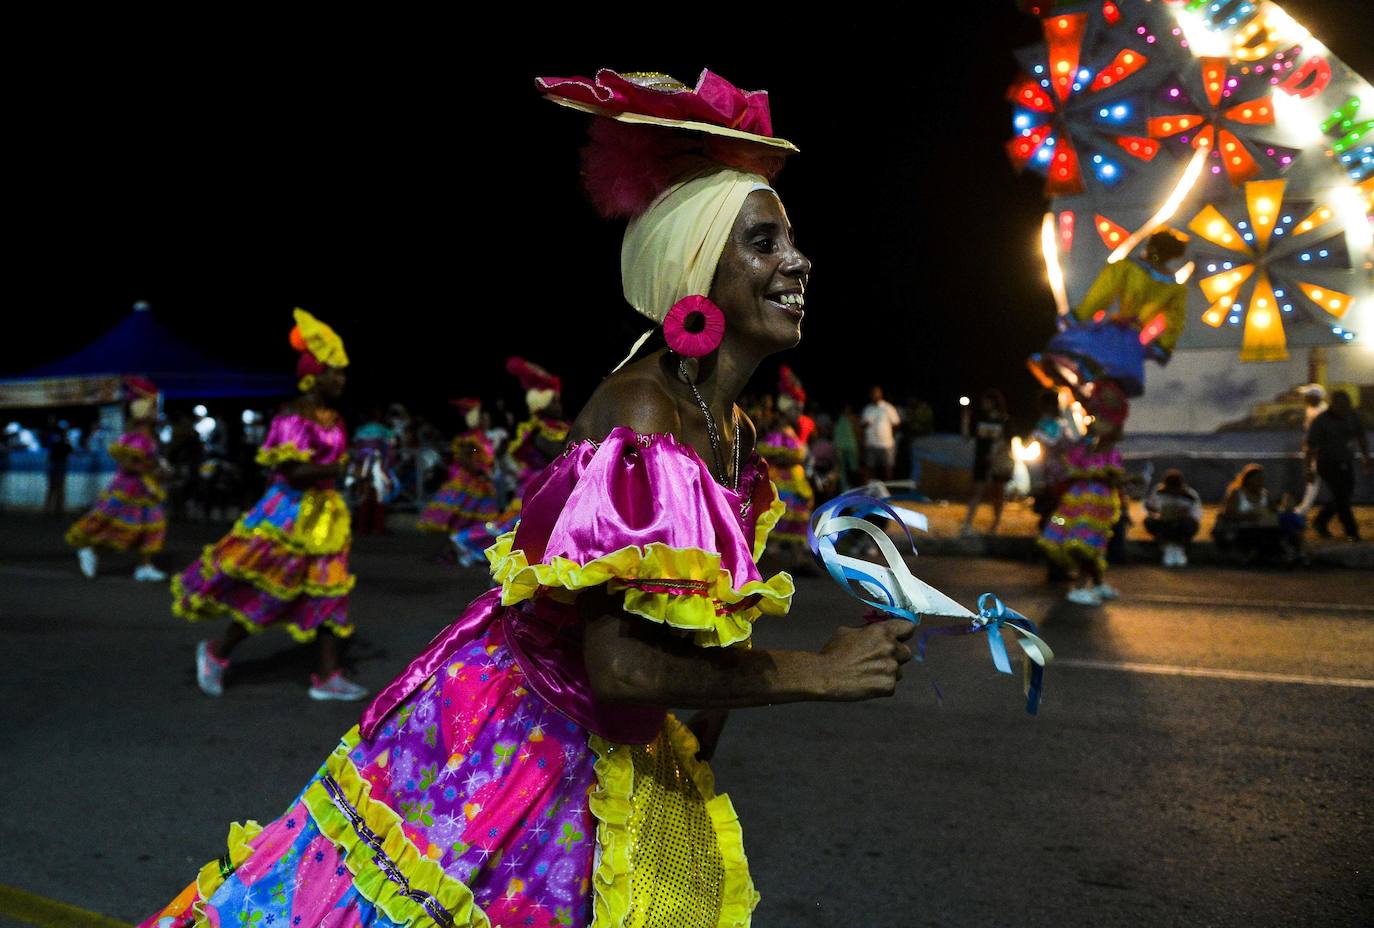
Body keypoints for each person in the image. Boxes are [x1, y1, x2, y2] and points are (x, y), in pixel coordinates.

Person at [139, 67, 914, 928]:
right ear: (696, 270)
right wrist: (818, 673)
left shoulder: (728, 429)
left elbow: (690, 630)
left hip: (607, 745)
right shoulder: (644, 416)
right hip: (516, 745)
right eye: (764, 243)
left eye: (790, 241)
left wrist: (695, 750)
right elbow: (616, 665)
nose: (798, 261)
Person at [171, 309, 367, 701]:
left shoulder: (335, 420)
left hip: (326, 516)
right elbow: (292, 472)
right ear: (314, 375)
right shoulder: (292, 418)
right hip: (289, 515)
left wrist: (356, 473)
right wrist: (339, 466)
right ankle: (216, 651)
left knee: (329, 590)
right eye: (336, 373)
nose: (342, 381)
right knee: (273, 591)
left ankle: (327, 675)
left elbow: (330, 468)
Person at [1030, 228, 1189, 400]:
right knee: (1112, 385)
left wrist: (1077, 317)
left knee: (1072, 355)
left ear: (1151, 246)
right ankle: (1095, 403)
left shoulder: (1127, 267)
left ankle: (1083, 393)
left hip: (1110, 332)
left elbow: (1101, 295)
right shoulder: (1175, 288)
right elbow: (1174, 321)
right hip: (1132, 345)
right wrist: (1162, 346)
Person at [65, 379, 168, 581]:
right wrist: (152, 467)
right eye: (153, 410)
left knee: (152, 526)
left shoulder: (149, 437)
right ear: (145, 414)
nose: (156, 414)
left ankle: (145, 567)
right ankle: (91, 550)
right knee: (117, 527)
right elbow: (129, 465)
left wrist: (158, 468)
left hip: (146, 489)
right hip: (129, 490)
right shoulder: (135, 438)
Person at [1039, 382, 1126, 605]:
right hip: (1079, 505)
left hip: (1098, 505)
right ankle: (1079, 587)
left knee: (1096, 543)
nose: (1094, 423)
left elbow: (1114, 477)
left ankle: (1096, 583)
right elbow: (1067, 464)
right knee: (1084, 544)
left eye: (1101, 420)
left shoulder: (1109, 451)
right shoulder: (1084, 447)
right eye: (1095, 419)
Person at [417, 398, 501, 561]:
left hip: (481, 484)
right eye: (483, 416)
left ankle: (462, 551)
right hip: (467, 483)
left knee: (473, 522)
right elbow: (466, 458)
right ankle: (450, 551)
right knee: (458, 520)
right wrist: (479, 469)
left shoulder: (482, 438)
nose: (486, 420)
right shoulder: (471, 439)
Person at [758, 366, 815, 572]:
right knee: (779, 524)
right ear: (785, 408)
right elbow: (769, 453)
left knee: (794, 523)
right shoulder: (779, 432)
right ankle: (779, 564)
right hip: (782, 483)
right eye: (795, 409)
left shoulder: (791, 430)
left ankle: (798, 560)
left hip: (794, 481)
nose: (799, 413)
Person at [1305, 389, 1371, 541]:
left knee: (1344, 495)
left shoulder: (1352, 417)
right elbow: (1310, 446)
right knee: (1342, 497)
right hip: (1327, 464)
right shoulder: (1321, 421)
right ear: (1333, 404)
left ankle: (1320, 521)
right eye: (1341, 405)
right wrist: (1308, 469)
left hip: (1345, 462)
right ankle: (1351, 531)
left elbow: (1361, 438)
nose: (1344, 409)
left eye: (1346, 405)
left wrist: (1366, 459)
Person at [1213, 463, 1301, 562]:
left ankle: (1288, 554)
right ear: (1248, 480)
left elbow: (1273, 512)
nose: (1261, 482)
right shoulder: (1237, 494)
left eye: (1262, 479)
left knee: (1287, 524)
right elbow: (1227, 514)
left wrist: (1286, 507)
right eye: (1258, 479)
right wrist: (1248, 516)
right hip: (1242, 529)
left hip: (1262, 527)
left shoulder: (1264, 494)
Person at [961, 388, 1012, 536]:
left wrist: (994, 454)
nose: (983, 404)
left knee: (997, 494)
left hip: (997, 462)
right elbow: (967, 437)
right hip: (981, 460)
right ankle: (967, 524)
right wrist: (965, 418)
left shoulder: (1004, 420)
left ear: (993, 403)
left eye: (986, 401)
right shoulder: (980, 419)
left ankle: (995, 524)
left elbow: (1006, 442)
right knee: (976, 491)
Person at [1144, 469, 1202, 567]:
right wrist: (1157, 513)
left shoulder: (1190, 496)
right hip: (1164, 523)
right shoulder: (1159, 491)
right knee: (1149, 521)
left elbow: (1196, 515)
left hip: (1181, 525)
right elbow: (1149, 507)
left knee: (1188, 525)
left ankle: (1179, 549)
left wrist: (1182, 514)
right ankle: (1167, 547)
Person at [861, 384, 901, 481]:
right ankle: (872, 490)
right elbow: (862, 425)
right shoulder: (867, 409)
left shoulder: (888, 407)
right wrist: (866, 424)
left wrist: (888, 431)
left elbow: (897, 423)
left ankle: (888, 490)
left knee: (888, 468)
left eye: (876, 392)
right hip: (871, 444)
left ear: (880, 394)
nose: (874, 395)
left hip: (886, 445)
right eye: (873, 393)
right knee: (870, 468)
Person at [42, 415, 73, 517]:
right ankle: (53, 510)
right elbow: (68, 450)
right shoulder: (59, 438)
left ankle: (53, 510)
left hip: (56, 464)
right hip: (57, 464)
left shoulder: (60, 438)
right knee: (56, 488)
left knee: (54, 488)